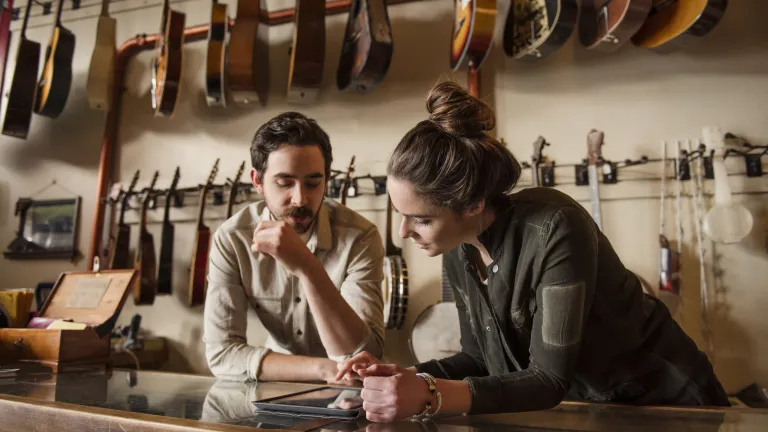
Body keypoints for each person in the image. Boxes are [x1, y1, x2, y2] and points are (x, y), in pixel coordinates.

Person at [336, 81, 730, 423]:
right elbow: (478, 360)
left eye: (420, 219)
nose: (404, 232)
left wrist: (427, 394)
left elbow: (548, 379)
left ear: (472, 203)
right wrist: (402, 376)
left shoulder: (555, 226)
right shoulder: (459, 248)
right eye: (400, 216)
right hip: (591, 410)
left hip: (667, 403)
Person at [204, 112, 385, 384]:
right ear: (257, 181)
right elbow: (222, 353)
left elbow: (364, 354)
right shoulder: (232, 239)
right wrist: (323, 370)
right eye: (284, 182)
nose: (300, 198)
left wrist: (308, 268)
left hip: (351, 392)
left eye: (314, 183)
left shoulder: (361, 237)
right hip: (277, 384)